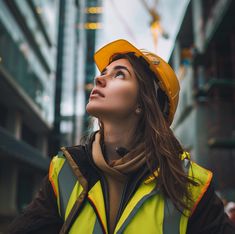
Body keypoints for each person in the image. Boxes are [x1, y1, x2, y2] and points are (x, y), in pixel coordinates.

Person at [8, 39, 235, 234]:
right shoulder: (65, 172)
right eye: (103, 73)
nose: (99, 79)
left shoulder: (191, 186)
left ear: (143, 103)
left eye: (119, 74)